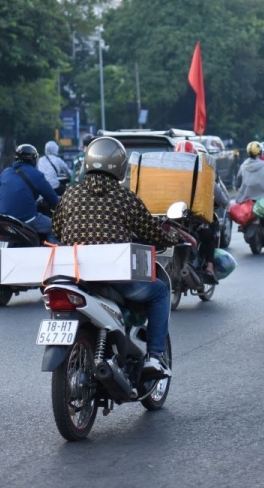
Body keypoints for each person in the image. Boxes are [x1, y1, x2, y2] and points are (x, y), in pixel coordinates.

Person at [51, 136, 185, 377]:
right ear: (121, 168)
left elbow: (57, 229)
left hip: (76, 274)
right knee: (159, 291)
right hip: (115, 276)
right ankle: (155, 356)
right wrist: (171, 238)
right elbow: (152, 232)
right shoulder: (125, 198)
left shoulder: (70, 195)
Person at [172, 139, 221, 282]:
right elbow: (220, 196)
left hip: (169, 217)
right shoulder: (201, 173)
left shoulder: (166, 174)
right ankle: (210, 267)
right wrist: (225, 204)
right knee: (208, 236)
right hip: (191, 219)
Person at [0, 144, 62, 242]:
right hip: (26, 218)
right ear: (34, 159)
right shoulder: (36, 175)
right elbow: (53, 199)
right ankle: (53, 255)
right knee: (56, 228)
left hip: (3, 219)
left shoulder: (5, 172)